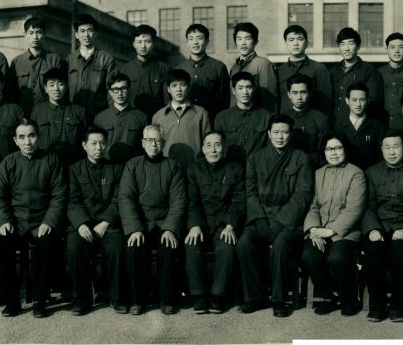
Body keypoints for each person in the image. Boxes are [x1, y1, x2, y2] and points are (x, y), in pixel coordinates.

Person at [0, 121, 68, 318]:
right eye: (22, 137)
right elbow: (0, 196)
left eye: (31, 136)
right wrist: (4, 221)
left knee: (46, 245)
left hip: (42, 220)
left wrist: (49, 221)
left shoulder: (51, 160)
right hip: (15, 222)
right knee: (0, 247)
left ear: (38, 137)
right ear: (15, 140)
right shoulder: (8, 162)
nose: (27, 142)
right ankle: (12, 301)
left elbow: (59, 195)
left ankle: (39, 300)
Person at [239, 115, 312, 318]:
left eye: (285, 132)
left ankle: (278, 300)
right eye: (276, 132)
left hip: (288, 221)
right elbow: (250, 193)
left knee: (280, 244)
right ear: (269, 134)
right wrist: (260, 220)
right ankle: (254, 297)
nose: (280, 137)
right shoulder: (255, 157)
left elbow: (302, 195)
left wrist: (281, 222)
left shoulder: (300, 158)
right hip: (261, 217)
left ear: (291, 134)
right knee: (245, 242)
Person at [117, 125, 188, 315]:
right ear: (143, 143)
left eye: (157, 140)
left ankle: (166, 299)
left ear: (163, 143)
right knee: (134, 248)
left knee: (169, 247)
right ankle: (137, 300)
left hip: (164, 222)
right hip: (141, 222)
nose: (153, 144)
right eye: (149, 140)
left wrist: (170, 228)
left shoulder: (173, 166)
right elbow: (126, 198)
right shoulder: (133, 165)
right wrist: (135, 228)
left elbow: (179, 200)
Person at [361, 131, 403, 322]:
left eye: (396, 147)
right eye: (387, 147)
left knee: (401, 252)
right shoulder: (372, 172)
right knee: (374, 250)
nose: (392, 152)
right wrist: (373, 229)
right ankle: (377, 306)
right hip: (380, 225)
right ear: (381, 149)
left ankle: (399, 306)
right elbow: (367, 205)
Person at [301, 133, 366, 317]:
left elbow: (354, 208)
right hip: (320, 229)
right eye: (329, 149)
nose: (334, 153)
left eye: (338, 148)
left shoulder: (356, 173)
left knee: (337, 257)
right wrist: (313, 229)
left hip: (346, 232)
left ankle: (349, 299)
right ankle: (327, 296)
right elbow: (313, 206)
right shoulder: (318, 173)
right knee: (309, 255)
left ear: (345, 149)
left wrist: (330, 231)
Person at [64, 128, 125, 315]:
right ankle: (82, 299)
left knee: (117, 247)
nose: (99, 147)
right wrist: (81, 224)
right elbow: (72, 201)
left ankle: (116, 296)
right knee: (74, 247)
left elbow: (119, 199)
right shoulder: (74, 170)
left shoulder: (116, 169)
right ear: (84, 146)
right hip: (83, 223)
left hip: (108, 223)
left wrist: (106, 222)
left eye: (102, 143)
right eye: (94, 143)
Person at [184, 131, 245, 315]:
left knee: (227, 247)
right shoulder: (193, 169)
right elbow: (192, 201)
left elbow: (238, 201)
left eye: (217, 145)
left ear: (223, 148)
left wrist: (230, 225)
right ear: (203, 149)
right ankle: (199, 295)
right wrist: (194, 225)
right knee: (192, 246)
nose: (213, 150)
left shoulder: (235, 169)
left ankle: (217, 295)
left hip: (223, 223)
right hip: (201, 223)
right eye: (209, 145)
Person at [31, 68, 88, 165]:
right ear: (45, 88)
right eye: (51, 85)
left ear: (66, 86)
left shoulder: (79, 111)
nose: (56, 89)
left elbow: (86, 141)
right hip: (43, 164)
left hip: (72, 164)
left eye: (60, 84)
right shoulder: (37, 110)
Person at [213, 72, 273, 163]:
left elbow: (270, 148)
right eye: (240, 88)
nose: (245, 92)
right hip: (231, 168)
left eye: (249, 87)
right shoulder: (221, 117)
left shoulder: (267, 116)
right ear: (233, 91)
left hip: (257, 167)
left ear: (254, 89)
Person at [274, 25, 333, 114]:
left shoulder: (319, 69)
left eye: (300, 39)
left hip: (312, 121)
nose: (295, 43)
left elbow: (326, 102)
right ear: (285, 43)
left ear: (306, 43)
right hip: (285, 121)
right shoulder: (279, 71)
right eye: (291, 40)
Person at [176, 23, 232, 116]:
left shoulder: (219, 67)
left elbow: (225, 100)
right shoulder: (179, 69)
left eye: (199, 38)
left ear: (207, 41)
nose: (195, 42)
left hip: (212, 119)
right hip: (187, 119)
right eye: (191, 39)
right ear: (187, 43)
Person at [94, 74, 149, 164]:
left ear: (129, 90)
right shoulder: (100, 118)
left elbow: (146, 147)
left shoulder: (142, 117)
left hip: (133, 166)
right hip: (107, 166)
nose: (119, 93)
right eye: (115, 89)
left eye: (123, 88)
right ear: (110, 92)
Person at [67, 15, 117, 112]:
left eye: (89, 30)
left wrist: (111, 114)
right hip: (74, 113)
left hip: (99, 113)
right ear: (76, 35)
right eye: (82, 31)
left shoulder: (106, 59)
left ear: (95, 34)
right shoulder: (69, 60)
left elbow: (112, 90)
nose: (86, 35)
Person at [13, 17, 66, 111]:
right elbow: (11, 92)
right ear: (25, 35)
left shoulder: (55, 60)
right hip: (23, 113)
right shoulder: (16, 62)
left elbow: (62, 89)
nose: (35, 37)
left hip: (48, 112)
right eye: (31, 33)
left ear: (44, 34)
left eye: (39, 32)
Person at [229, 22, 281, 113]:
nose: (243, 43)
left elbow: (269, 100)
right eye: (239, 39)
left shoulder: (263, 64)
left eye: (248, 38)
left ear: (255, 41)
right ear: (235, 42)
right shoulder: (234, 67)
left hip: (257, 118)